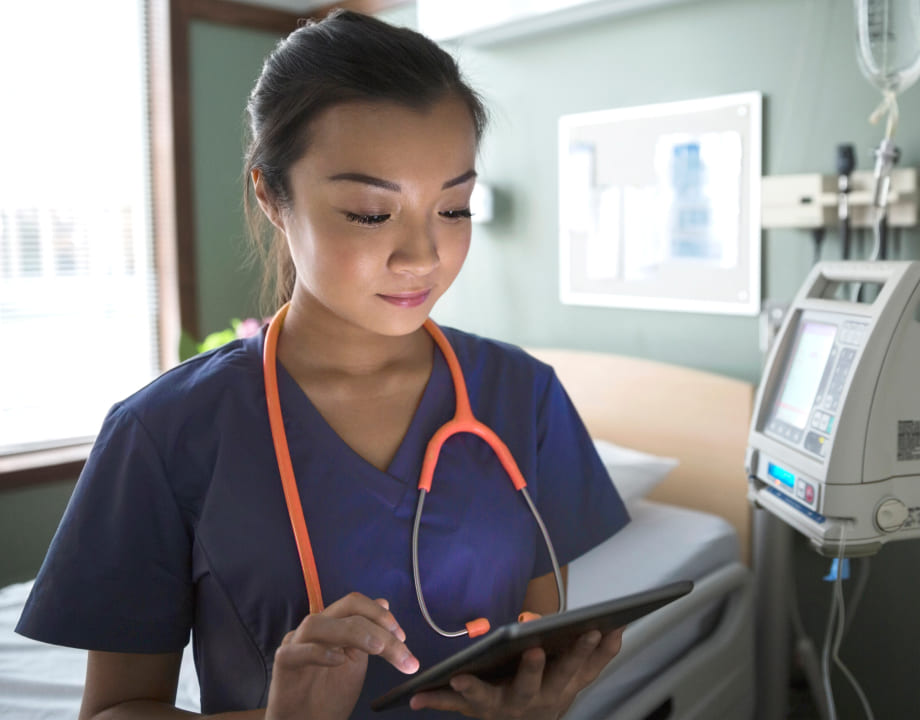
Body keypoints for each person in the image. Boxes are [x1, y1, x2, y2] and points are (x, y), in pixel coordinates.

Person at [16, 9, 629, 719]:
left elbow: (530, 647)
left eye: (454, 208)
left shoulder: (524, 396)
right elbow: (112, 711)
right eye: (371, 213)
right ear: (272, 197)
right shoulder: (164, 431)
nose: (423, 256)